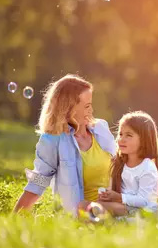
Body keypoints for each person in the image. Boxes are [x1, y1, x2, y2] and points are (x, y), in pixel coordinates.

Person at [13, 74, 116, 215]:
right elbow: (39, 181)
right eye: (87, 106)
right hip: (83, 216)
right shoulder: (53, 140)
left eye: (91, 105)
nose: (91, 111)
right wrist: (15, 217)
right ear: (69, 109)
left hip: (115, 208)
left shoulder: (100, 128)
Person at [95, 111, 158, 217]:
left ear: (144, 140)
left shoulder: (147, 167)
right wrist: (106, 195)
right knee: (87, 205)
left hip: (144, 211)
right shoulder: (119, 163)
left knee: (98, 207)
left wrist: (119, 197)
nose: (121, 139)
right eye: (120, 134)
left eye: (128, 135)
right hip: (124, 205)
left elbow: (144, 200)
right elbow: (113, 189)